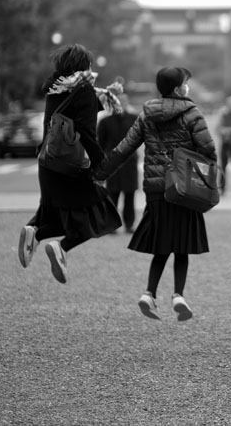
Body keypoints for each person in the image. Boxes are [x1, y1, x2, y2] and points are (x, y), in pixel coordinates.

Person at [93, 67, 217, 322]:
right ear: (177, 89)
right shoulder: (192, 114)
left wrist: (101, 172)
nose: (187, 87)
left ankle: (149, 292)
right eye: (185, 83)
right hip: (184, 188)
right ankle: (178, 295)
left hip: (156, 189)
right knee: (181, 245)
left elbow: (124, 147)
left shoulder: (146, 115)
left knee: (162, 243)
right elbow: (208, 150)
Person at [17, 43, 123, 283]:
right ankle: (61, 248)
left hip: (48, 162)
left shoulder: (56, 87)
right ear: (84, 66)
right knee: (102, 213)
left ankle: (35, 232)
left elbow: (72, 114)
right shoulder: (83, 89)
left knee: (56, 214)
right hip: (71, 166)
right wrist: (101, 165)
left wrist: (104, 95)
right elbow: (85, 130)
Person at [97, 93, 139, 233]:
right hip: (112, 162)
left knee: (130, 194)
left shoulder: (134, 119)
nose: (121, 103)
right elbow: (101, 143)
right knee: (112, 194)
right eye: (118, 101)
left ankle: (129, 224)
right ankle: (111, 225)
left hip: (130, 162)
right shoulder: (105, 122)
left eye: (123, 101)